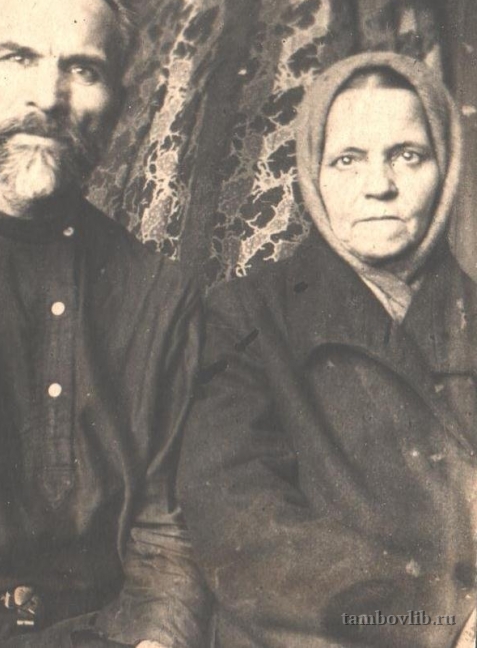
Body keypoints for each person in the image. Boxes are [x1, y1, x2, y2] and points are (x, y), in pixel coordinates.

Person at [0, 0, 210, 648]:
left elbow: (163, 538)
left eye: (82, 69)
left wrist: (156, 641)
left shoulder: (160, 295)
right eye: (18, 57)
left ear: (118, 104)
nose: (48, 97)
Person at [178, 52, 477, 648]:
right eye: (348, 159)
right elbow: (239, 522)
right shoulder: (247, 315)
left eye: (407, 155)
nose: (379, 185)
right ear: (312, 173)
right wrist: (438, 618)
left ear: (446, 168)